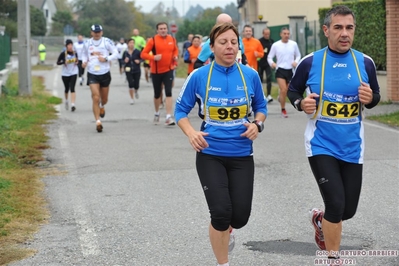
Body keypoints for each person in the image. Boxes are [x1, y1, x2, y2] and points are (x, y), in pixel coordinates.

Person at [287, 5, 380, 265]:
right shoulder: (311, 62)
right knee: (336, 204)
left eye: (349, 27)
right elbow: (293, 91)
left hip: (352, 147)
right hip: (321, 145)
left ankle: (320, 220)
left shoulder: (366, 62)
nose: (344, 33)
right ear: (326, 30)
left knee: (347, 211)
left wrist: (371, 99)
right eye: (338, 27)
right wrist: (300, 104)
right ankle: (332, 258)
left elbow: (376, 96)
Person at [175, 22, 267, 266]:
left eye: (233, 42)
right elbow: (180, 110)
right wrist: (191, 133)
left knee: (239, 218)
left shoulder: (250, 75)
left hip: (242, 154)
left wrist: (257, 124)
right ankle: (223, 262)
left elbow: (261, 107)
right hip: (210, 153)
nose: (229, 47)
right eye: (223, 42)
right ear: (212, 47)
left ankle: (229, 230)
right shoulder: (199, 76)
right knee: (220, 212)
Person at [81, 24, 119, 133]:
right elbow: (84, 55)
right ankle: (97, 121)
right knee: (95, 97)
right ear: (91, 32)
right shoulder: (87, 43)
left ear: (102, 32)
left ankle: (102, 106)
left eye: (99, 32)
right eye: (95, 32)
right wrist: (84, 62)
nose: (97, 34)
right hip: (92, 73)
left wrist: (106, 58)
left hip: (105, 72)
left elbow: (116, 54)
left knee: (104, 99)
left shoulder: (107, 42)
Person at [141, 22, 179, 126]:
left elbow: (175, 50)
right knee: (157, 94)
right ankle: (157, 112)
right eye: (161, 29)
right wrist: (153, 57)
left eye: (165, 28)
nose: (163, 30)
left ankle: (168, 116)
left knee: (168, 92)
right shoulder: (152, 40)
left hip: (169, 69)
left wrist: (175, 57)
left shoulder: (172, 39)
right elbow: (143, 54)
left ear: (167, 29)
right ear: (157, 30)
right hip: (156, 71)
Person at [267, 27, 301, 118]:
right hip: (280, 69)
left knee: (288, 90)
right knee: (283, 90)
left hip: (290, 70)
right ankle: (283, 109)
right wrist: (272, 64)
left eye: (288, 34)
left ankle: (280, 97)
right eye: (284, 33)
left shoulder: (293, 44)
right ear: (281, 34)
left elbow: (298, 55)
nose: (286, 35)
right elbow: (269, 57)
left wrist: (296, 61)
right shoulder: (276, 45)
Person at [56, 39, 79, 112]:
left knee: (72, 88)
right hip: (65, 74)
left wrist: (76, 62)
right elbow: (58, 62)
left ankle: (73, 104)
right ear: (66, 46)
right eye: (69, 45)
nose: (70, 46)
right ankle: (66, 100)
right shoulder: (63, 53)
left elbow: (77, 60)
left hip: (73, 72)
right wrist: (63, 62)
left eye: (71, 45)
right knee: (66, 88)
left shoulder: (75, 53)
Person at [122, 38, 141, 104]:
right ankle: (131, 98)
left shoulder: (137, 51)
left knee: (136, 84)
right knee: (130, 83)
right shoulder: (125, 52)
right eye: (130, 43)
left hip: (136, 69)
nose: (131, 44)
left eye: (133, 43)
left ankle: (136, 91)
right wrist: (125, 61)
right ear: (127, 44)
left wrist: (139, 61)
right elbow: (122, 60)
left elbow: (142, 58)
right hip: (128, 69)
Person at [258, 28, 274, 103]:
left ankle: (269, 95)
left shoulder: (271, 41)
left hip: (268, 63)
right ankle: (261, 95)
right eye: (266, 34)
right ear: (263, 34)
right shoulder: (259, 41)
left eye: (268, 34)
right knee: (260, 79)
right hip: (260, 63)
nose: (267, 35)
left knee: (269, 78)